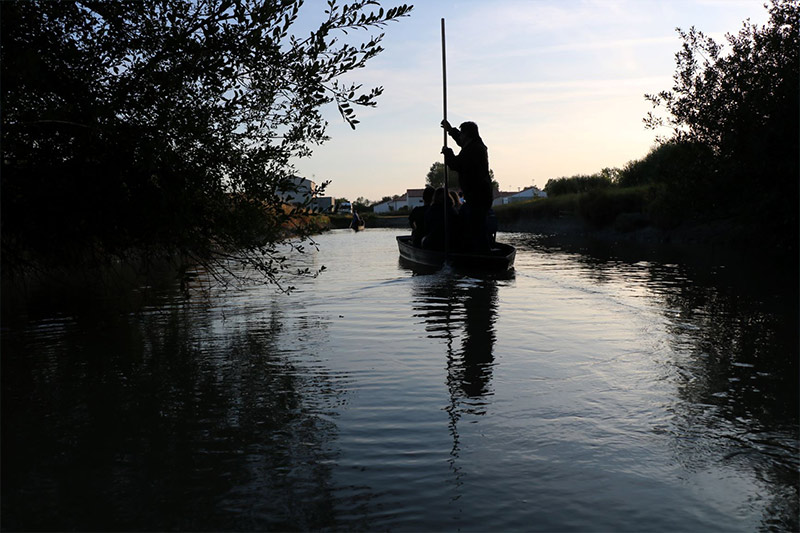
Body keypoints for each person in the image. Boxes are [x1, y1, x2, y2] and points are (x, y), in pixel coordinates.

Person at [441, 120, 494, 252]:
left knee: (476, 228)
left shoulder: (472, 150)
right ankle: (472, 249)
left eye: (462, 134)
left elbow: (456, 164)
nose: (461, 137)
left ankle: (482, 255)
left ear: (468, 135)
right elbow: (460, 140)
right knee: (468, 222)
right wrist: (450, 130)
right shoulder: (476, 144)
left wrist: (448, 153)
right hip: (479, 196)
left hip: (477, 196)